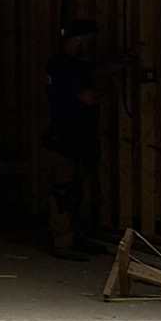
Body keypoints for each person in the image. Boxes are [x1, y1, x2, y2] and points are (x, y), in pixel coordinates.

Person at [40, 17, 102, 256]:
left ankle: (74, 238)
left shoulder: (67, 65)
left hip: (74, 138)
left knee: (76, 191)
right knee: (64, 191)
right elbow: (87, 97)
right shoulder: (64, 67)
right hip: (64, 139)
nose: (88, 46)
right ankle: (64, 242)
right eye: (86, 41)